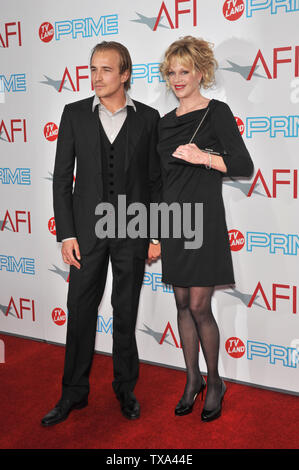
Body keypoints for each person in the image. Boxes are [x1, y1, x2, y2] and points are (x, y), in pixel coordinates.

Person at [41, 41, 161, 426]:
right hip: (86, 236)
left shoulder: (149, 118)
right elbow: (62, 179)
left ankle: (125, 388)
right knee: (79, 312)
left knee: (125, 312)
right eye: (92, 69)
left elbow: (155, 182)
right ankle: (73, 393)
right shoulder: (74, 114)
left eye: (106, 70)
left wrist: (155, 235)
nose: (96, 77)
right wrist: (67, 234)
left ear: (125, 74)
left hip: (133, 231)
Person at [158, 36, 253, 422]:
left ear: (201, 72)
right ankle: (192, 379)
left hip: (204, 222)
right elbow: (157, 180)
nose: (177, 78)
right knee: (181, 304)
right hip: (172, 223)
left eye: (184, 71)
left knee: (199, 306)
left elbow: (244, 166)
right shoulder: (162, 124)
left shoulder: (217, 112)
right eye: (171, 72)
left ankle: (215, 382)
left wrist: (205, 156)